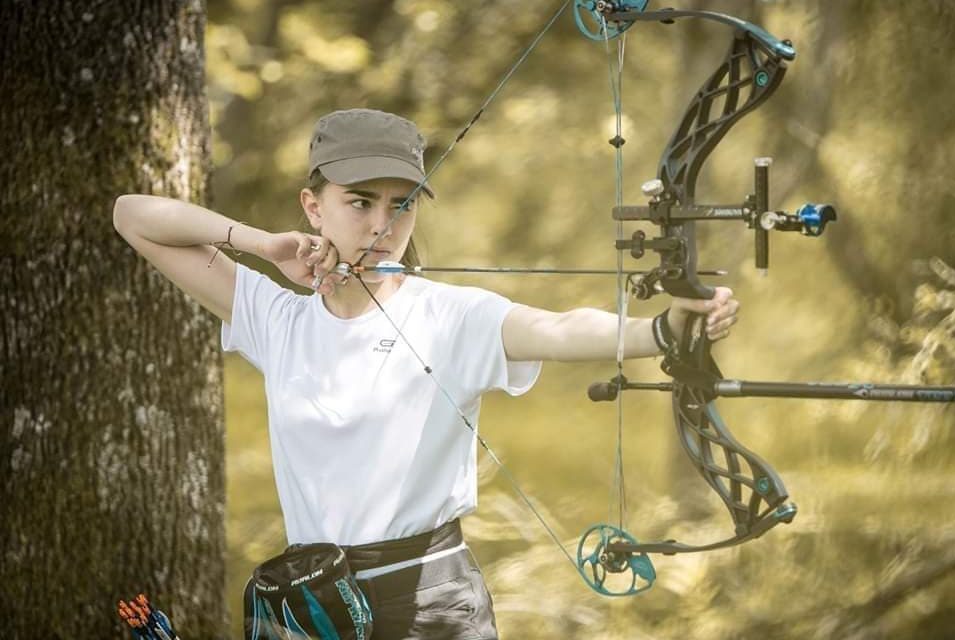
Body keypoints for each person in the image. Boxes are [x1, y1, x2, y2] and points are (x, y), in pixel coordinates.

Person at [113, 108, 740, 639]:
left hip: (430, 605)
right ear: (313, 206)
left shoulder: (448, 315)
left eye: (401, 204)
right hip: (316, 605)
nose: (382, 226)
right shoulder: (277, 318)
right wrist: (261, 244)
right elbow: (133, 216)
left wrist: (660, 330)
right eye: (359, 202)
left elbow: (558, 328)